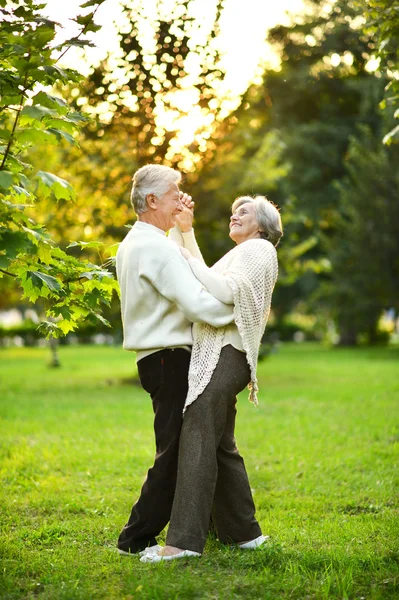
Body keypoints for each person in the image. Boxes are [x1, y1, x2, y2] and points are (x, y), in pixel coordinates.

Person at [141, 194, 283, 563]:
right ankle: (243, 534)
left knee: (198, 430)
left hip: (228, 353)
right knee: (219, 441)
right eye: (233, 210)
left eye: (244, 212)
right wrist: (186, 233)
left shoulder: (259, 249)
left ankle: (184, 542)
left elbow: (221, 290)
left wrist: (186, 257)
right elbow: (208, 278)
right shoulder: (243, 253)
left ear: (263, 225)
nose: (234, 216)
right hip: (222, 353)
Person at [116, 164, 234, 556]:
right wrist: (243, 311)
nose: (182, 199)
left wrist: (183, 225)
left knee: (192, 445)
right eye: (175, 193)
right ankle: (134, 538)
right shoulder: (158, 248)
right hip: (170, 360)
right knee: (176, 451)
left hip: (156, 360)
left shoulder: (135, 242)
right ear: (152, 200)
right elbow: (199, 303)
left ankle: (227, 526)